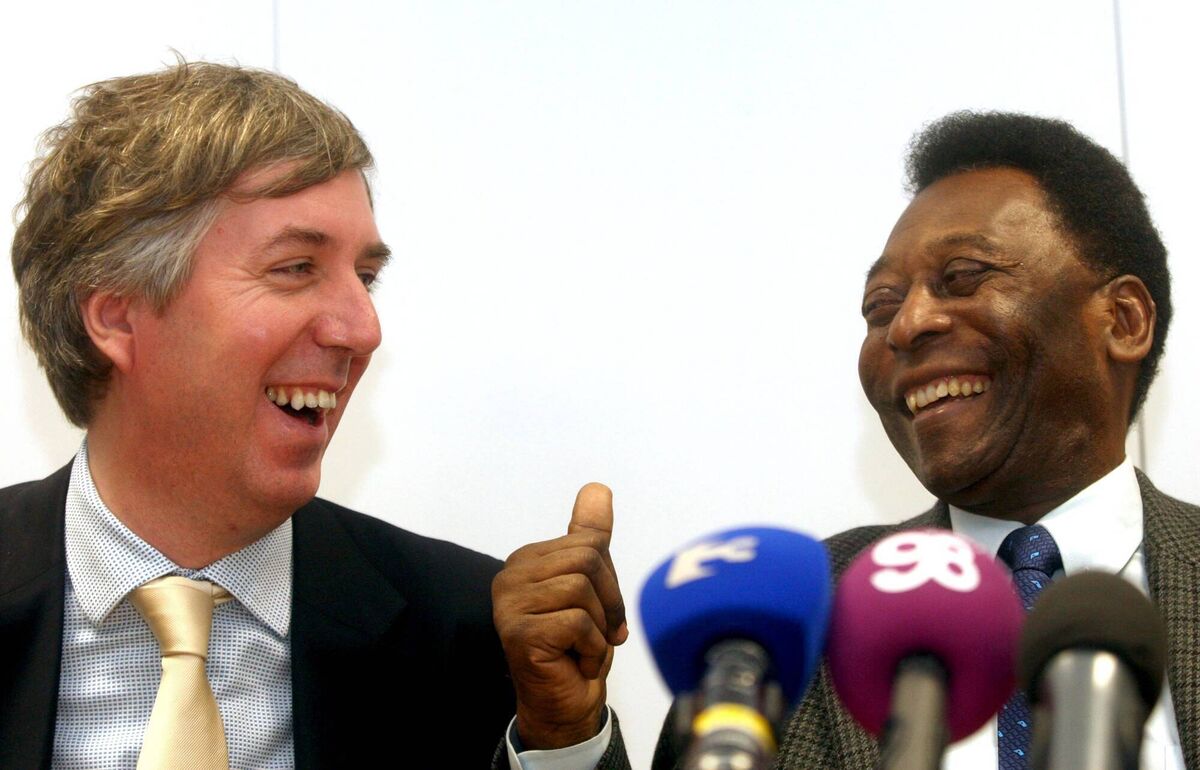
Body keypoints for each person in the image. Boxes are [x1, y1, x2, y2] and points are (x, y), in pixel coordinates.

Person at [0, 61, 628, 770]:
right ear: (116, 317)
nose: (362, 329)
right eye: (296, 268)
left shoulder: (470, 634)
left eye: (365, 277)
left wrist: (562, 741)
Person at [633, 111, 1196, 769]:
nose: (907, 325)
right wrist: (565, 742)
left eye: (962, 276)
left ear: (1123, 320)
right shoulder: (771, 629)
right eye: (881, 307)